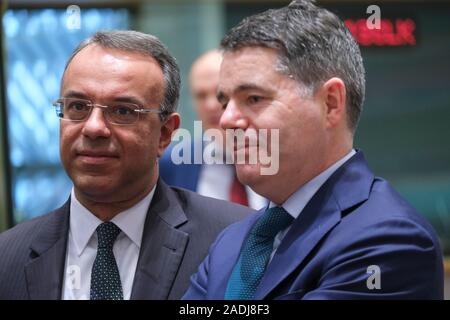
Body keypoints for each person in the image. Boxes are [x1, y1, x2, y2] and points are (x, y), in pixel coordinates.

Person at [184, 0, 443, 299]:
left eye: (253, 98)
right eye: (225, 102)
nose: (226, 120)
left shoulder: (389, 240)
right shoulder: (231, 242)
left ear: (330, 103)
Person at [0, 30, 252, 300]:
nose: (94, 128)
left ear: (165, 133)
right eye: (77, 107)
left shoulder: (235, 240)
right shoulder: (8, 256)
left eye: (122, 111)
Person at [160, 50, 267, 209]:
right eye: (201, 96)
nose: (211, 105)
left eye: (220, 94)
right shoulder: (173, 163)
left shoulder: (278, 154)